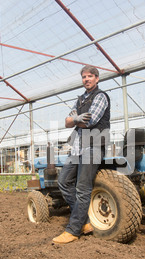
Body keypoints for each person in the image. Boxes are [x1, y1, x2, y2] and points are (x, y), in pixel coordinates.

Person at [52, 65, 110, 244]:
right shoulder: (79, 100)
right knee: (63, 182)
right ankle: (84, 221)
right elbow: (67, 121)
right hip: (77, 148)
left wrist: (76, 119)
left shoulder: (101, 96)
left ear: (97, 79)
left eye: (90, 76)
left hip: (93, 147)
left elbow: (90, 121)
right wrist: (75, 119)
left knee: (82, 189)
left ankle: (73, 230)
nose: (87, 79)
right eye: (84, 77)